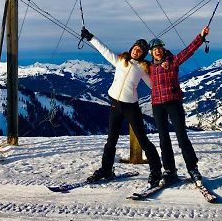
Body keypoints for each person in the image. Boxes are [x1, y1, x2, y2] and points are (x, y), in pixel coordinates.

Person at [80, 27, 162, 188]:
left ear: (143, 54)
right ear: (132, 48)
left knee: (143, 139)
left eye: (140, 51)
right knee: (111, 140)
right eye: (135, 48)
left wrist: (168, 93)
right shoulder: (120, 61)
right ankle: (106, 169)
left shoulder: (143, 69)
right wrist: (90, 37)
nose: (136, 51)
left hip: (131, 106)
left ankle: (156, 170)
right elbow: (104, 50)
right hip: (115, 104)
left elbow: (155, 85)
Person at [148, 26, 210, 185]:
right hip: (157, 105)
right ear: (151, 53)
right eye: (154, 50)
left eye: (159, 48)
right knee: (163, 139)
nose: (157, 51)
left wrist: (201, 37)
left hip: (173, 102)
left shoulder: (173, 61)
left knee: (182, 136)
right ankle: (169, 170)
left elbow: (188, 51)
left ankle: (192, 168)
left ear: (163, 49)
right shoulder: (149, 67)